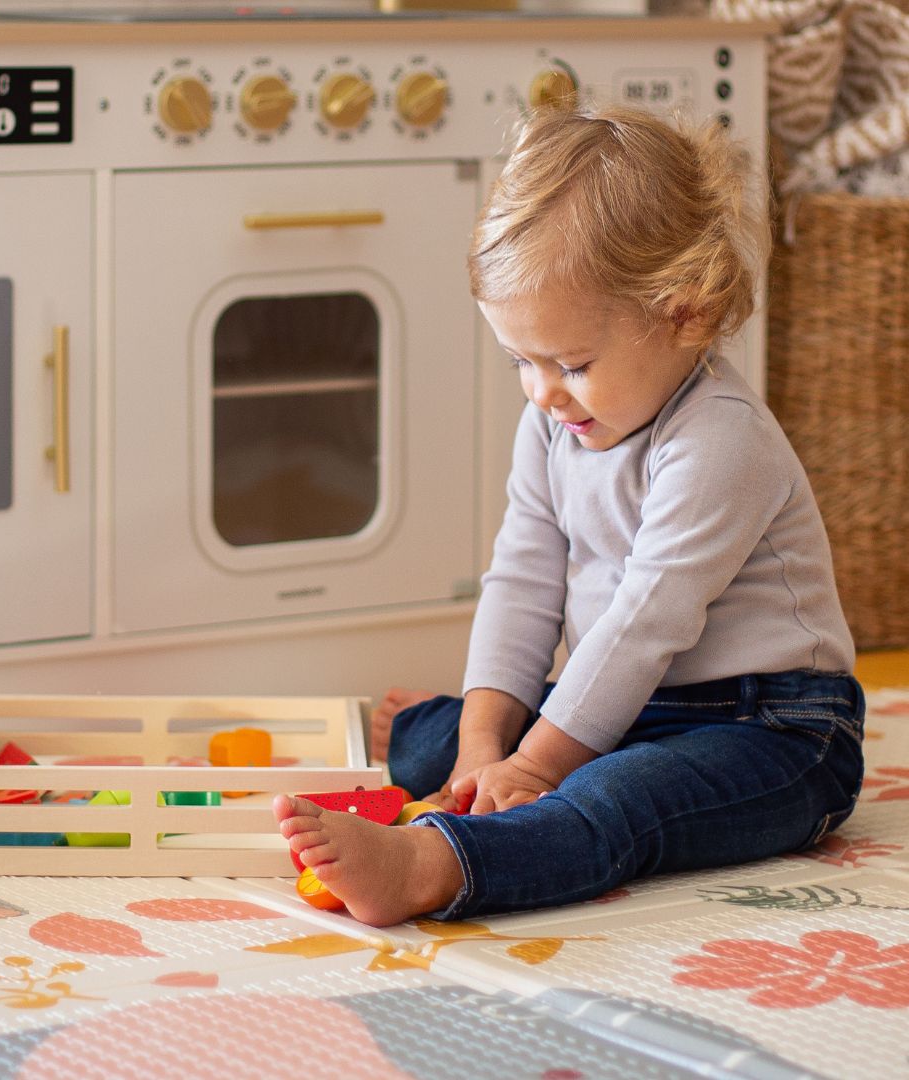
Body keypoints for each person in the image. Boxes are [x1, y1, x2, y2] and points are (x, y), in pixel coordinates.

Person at [273, 103, 865, 928]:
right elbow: (521, 578)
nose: (544, 392)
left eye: (573, 364)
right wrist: (485, 744)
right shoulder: (554, 423)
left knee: (611, 797)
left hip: (772, 729)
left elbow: (642, 623)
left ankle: (435, 866)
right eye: (522, 361)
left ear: (684, 311)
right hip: (636, 702)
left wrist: (537, 765)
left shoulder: (721, 440)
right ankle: (462, 740)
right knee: (438, 740)